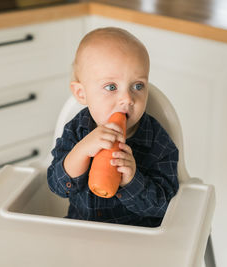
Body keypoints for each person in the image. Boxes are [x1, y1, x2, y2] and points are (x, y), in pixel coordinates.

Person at [47, 27, 179, 227]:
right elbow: (57, 186)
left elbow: (167, 206)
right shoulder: (76, 130)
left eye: (138, 86)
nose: (127, 99)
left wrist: (132, 180)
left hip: (137, 239)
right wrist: (81, 151)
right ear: (81, 94)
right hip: (81, 233)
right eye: (111, 87)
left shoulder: (157, 141)